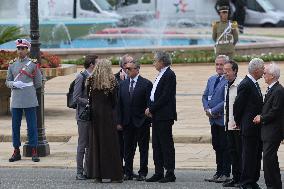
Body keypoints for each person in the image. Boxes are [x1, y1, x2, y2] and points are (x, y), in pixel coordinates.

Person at [5, 39, 42, 162]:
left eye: (23, 48)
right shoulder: (12, 64)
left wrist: (26, 87)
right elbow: (7, 82)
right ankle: (16, 151)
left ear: (27, 50)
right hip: (16, 100)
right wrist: (15, 84)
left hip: (29, 98)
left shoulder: (32, 64)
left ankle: (34, 150)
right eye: (18, 48)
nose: (20, 50)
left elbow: (38, 83)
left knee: (32, 126)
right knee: (15, 127)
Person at [87, 59, 123, 183]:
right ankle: (114, 174)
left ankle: (98, 175)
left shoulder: (91, 81)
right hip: (108, 116)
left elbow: (89, 98)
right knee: (111, 145)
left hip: (95, 116)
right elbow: (114, 102)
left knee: (96, 144)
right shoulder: (112, 81)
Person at [117, 60, 152, 181]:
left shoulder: (146, 84)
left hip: (142, 122)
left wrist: (146, 119)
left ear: (137, 69)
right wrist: (119, 122)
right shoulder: (122, 84)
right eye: (126, 69)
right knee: (127, 149)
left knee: (143, 149)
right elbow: (119, 105)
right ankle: (128, 172)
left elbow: (149, 104)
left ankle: (142, 172)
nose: (127, 71)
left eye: (129, 69)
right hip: (127, 123)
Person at [145, 51, 177, 183]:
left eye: (155, 61)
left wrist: (151, 108)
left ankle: (169, 172)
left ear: (162, 61)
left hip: (164, 115)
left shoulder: (169, 74)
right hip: (157, 115)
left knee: (166, 144)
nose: (153, 63)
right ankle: (158, 171)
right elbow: (154, 94)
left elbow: (165, 96)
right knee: (157, 144)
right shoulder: (161, 74)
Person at [233, 58, 264, 189]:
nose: (264, 71)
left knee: (256, 156)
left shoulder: (254, 83)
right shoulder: (246, 84)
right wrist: (239, 122)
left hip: (256, 128)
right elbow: (237, 106)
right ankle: (246, 182)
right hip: (249, 127)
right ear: (256, 70)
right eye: (262, 68)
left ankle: (252, 180)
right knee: (249, 156)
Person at [253, 63, 284, 189]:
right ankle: (274, 185)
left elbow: (275, 111)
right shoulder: (272, 88)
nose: (263, 75)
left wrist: (261, 117)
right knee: (270, 160)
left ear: (272, 76)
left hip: (273, 131)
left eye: (265, 73)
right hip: (268, 131)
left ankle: (272, 185)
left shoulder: (278, 90)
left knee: (268, 160)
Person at [202, 55, 231, 183]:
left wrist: (213, 111)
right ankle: (218, 172)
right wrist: (207, 109)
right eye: (217, 64)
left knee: (225, 146)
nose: (219, 67)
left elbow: (227, 100)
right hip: (213, 120)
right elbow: (204, 96)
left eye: (221, 65)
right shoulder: (211, 79)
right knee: (216, 145)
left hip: (223, 119)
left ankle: (225, 173)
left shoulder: (228, 80)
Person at [73, 54, 97, 180]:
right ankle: (79, 171)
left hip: (92, 115)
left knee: (89, 145)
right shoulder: (80, 77)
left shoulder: (94, 77)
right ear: (92, 64)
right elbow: (75, 98)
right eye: (96, 63)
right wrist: (89, 102)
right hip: (83, 116)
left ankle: (88, 171)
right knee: (82, 144)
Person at [222, 60, 242, 187]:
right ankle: (235, 177)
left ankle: (241, 178)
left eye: (228, 70)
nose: (225, 73)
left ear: (234, 70)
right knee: (232, 152)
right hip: (228, 124)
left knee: (240, 153)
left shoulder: (240, 85)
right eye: (224, 70)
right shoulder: (226, 84)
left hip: (237, 126)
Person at [114, 54, 133, 174]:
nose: (133, 64)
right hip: (121, 119)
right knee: (120, 145)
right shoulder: (115, 78)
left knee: (130, 146)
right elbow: (115, 101)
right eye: (130, 62)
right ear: (123, 65)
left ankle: (129, 169)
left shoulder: (135, 75)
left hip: (132, 119)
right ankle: (119, 169)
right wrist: (122, 82)